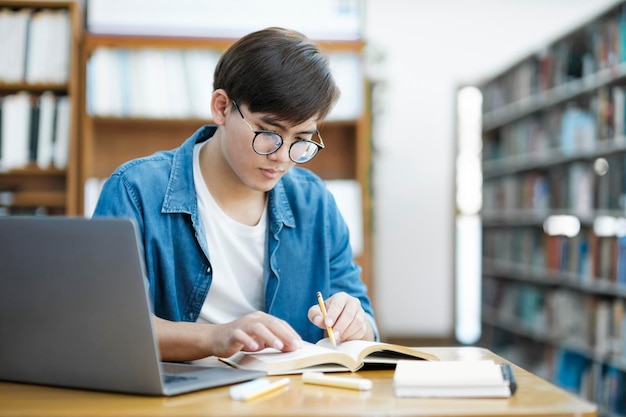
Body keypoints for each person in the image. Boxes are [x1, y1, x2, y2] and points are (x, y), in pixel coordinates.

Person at [93, 27, 378, 362]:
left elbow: (369, 328)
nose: (283, 157)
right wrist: (217, 336)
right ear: (221, 107)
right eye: (269, 133)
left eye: (302, 139)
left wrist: (356, 323)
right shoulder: (136, 189)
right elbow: (112, 326)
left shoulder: (315, 202)